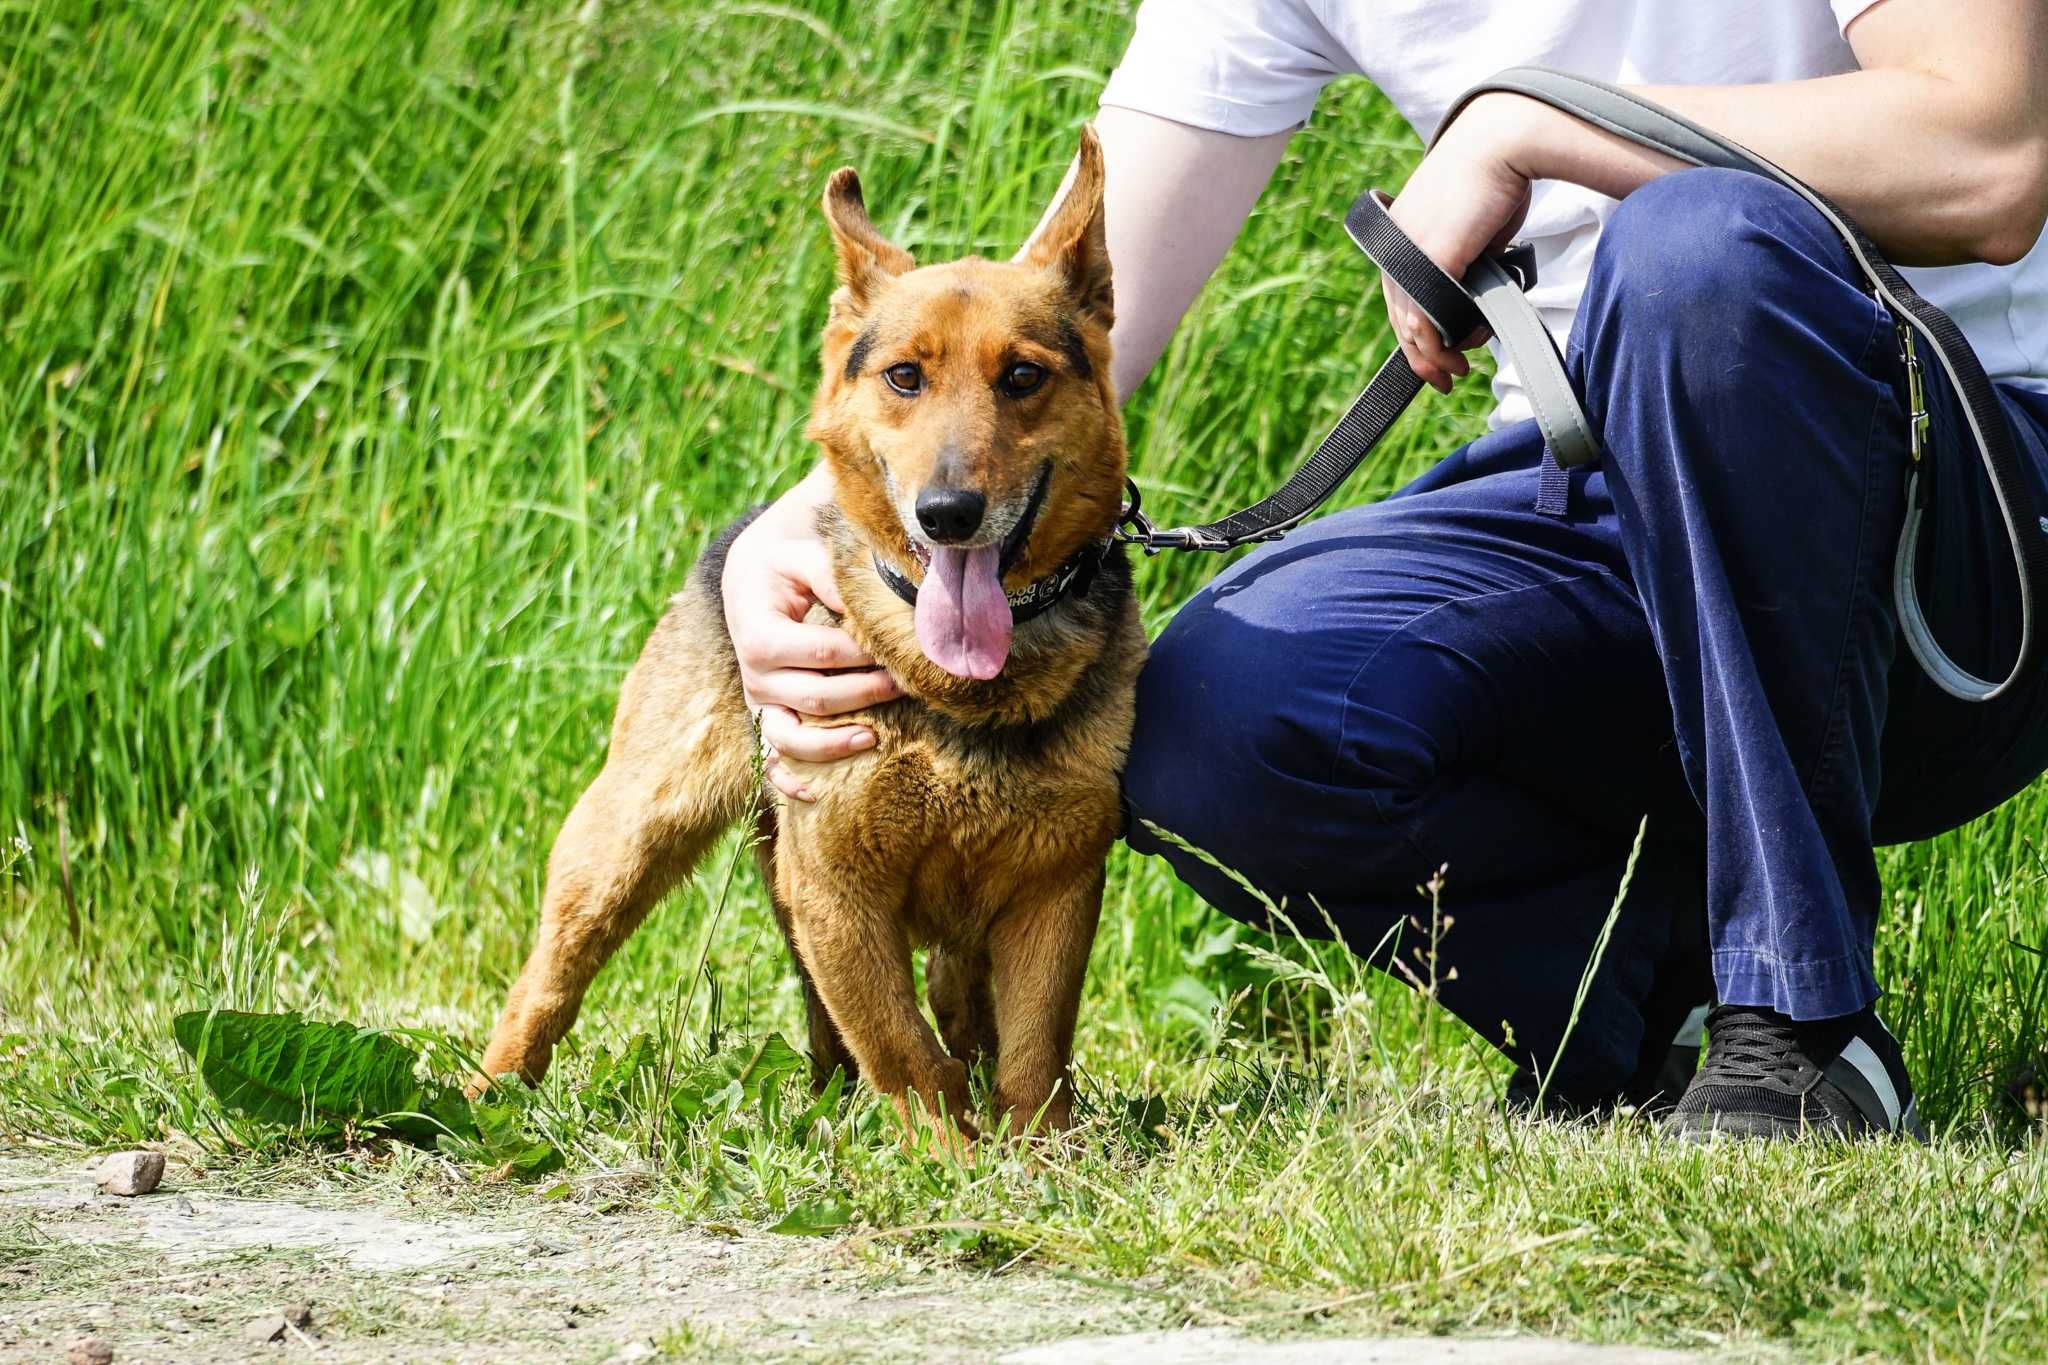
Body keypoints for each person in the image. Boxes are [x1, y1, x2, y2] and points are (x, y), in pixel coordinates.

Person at [720, 0, 2048, 1138]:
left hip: (1951, 506)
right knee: (1211, 725)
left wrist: (1535, 123)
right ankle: (1668, 1011)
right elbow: (1039, 317)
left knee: (1694, 252)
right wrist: (778, 549)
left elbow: (1991, 154)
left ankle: (1804, 1024)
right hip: (1585, 488)